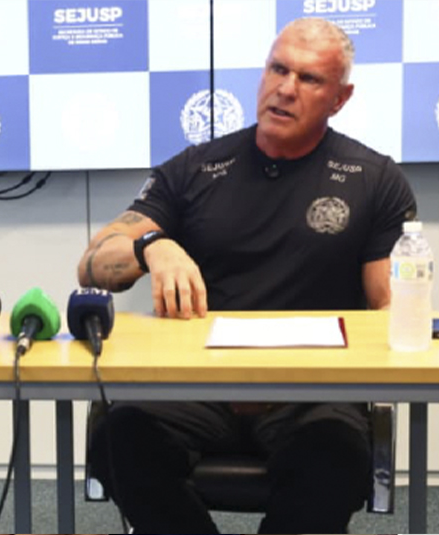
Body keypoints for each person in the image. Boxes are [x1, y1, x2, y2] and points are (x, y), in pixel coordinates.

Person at [78, 18, 416, 534]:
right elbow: (93, 262)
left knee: (336, 456)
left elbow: (391, 311)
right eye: (278, 69)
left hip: (312, 394)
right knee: (118, 438)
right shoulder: (196, 169)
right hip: (200, 389)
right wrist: (153, 247)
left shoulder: (375, 180)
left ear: (340, 99)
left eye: (309, 79)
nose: (285, 88)